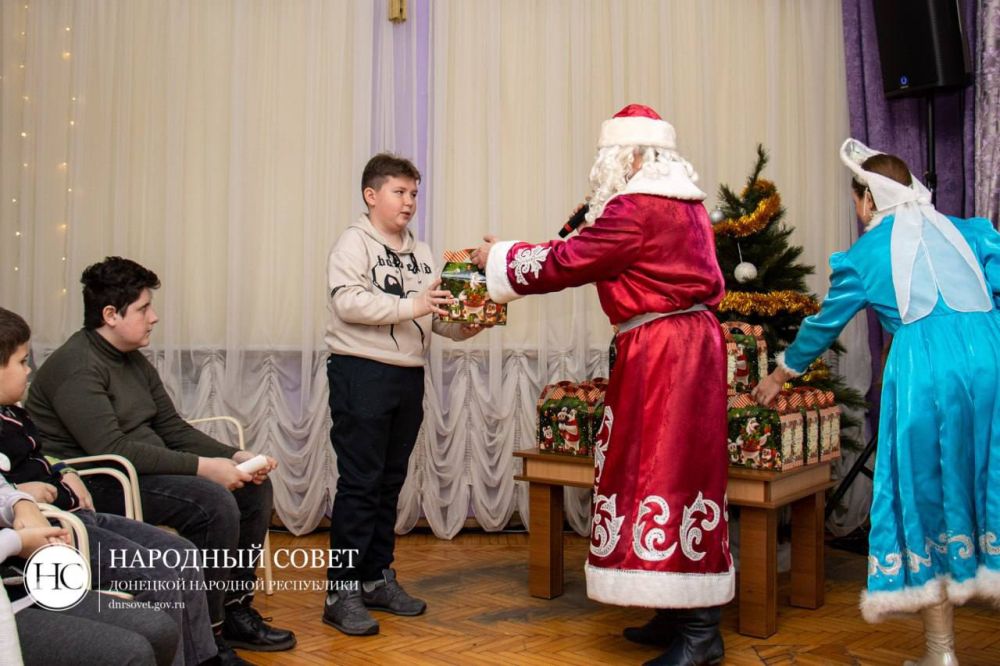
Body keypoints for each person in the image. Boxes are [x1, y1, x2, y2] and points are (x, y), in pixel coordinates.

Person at [471, 104, 733, 666]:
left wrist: (496, 257)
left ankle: (700, 634)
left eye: (607, 157)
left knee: (665, 468)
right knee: (666, 468)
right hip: (682, 347)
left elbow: (571, 260)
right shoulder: (685, 204)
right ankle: (673, 611)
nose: (602, 168)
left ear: (632, 155)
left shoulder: (637, 207)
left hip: (667, 353)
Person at [752, 138, 1000, 666]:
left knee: (924, 495)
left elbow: (823, 325)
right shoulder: (971, 232)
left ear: (866, 200)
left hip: (924, 370)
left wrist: (780, 372)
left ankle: (941, 653)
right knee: (991, 480)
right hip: (991, 358)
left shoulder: (865, 255)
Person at [23, 258, 296, 660]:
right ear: (110, 315)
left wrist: (233, 456)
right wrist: (205, 469)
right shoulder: (77, 366)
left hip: (145, 470)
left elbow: (172, 427)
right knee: (214, 502)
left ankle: (236, 609)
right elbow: (114, 449)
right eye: (144, 308)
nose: (154, 317)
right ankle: (211, 633)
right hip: (102, 481)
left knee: (254, 488)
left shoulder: (132, 359)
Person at [0, 306, 223, 665]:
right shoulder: (74, 366)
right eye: (23, 362)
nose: (29, 372)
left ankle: (205, 657)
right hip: (61, 531)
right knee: (158, 572)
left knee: (182, 553)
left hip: (81, 511)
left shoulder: (14, 412)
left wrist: (62, 470)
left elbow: (41, 455)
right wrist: (24, 493)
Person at [322, 152, 481, 636]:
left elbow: (434, 319)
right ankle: (340, 591)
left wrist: (473, 318)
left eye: (414, 193)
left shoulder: (426, 252)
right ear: (372, 196)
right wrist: (413, 303)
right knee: (359, 483)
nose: (409, 201)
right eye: (399, 192)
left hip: (407, 375)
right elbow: (347, 301)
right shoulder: (353, 244)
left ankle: (376, 578)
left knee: (389, 482)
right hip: (360, 373)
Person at [0, 472, 179, 665]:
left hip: (16, 577)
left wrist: (21, 503)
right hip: (19, 556)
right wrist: (17, 542)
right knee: (131, 652)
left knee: (160, 629)